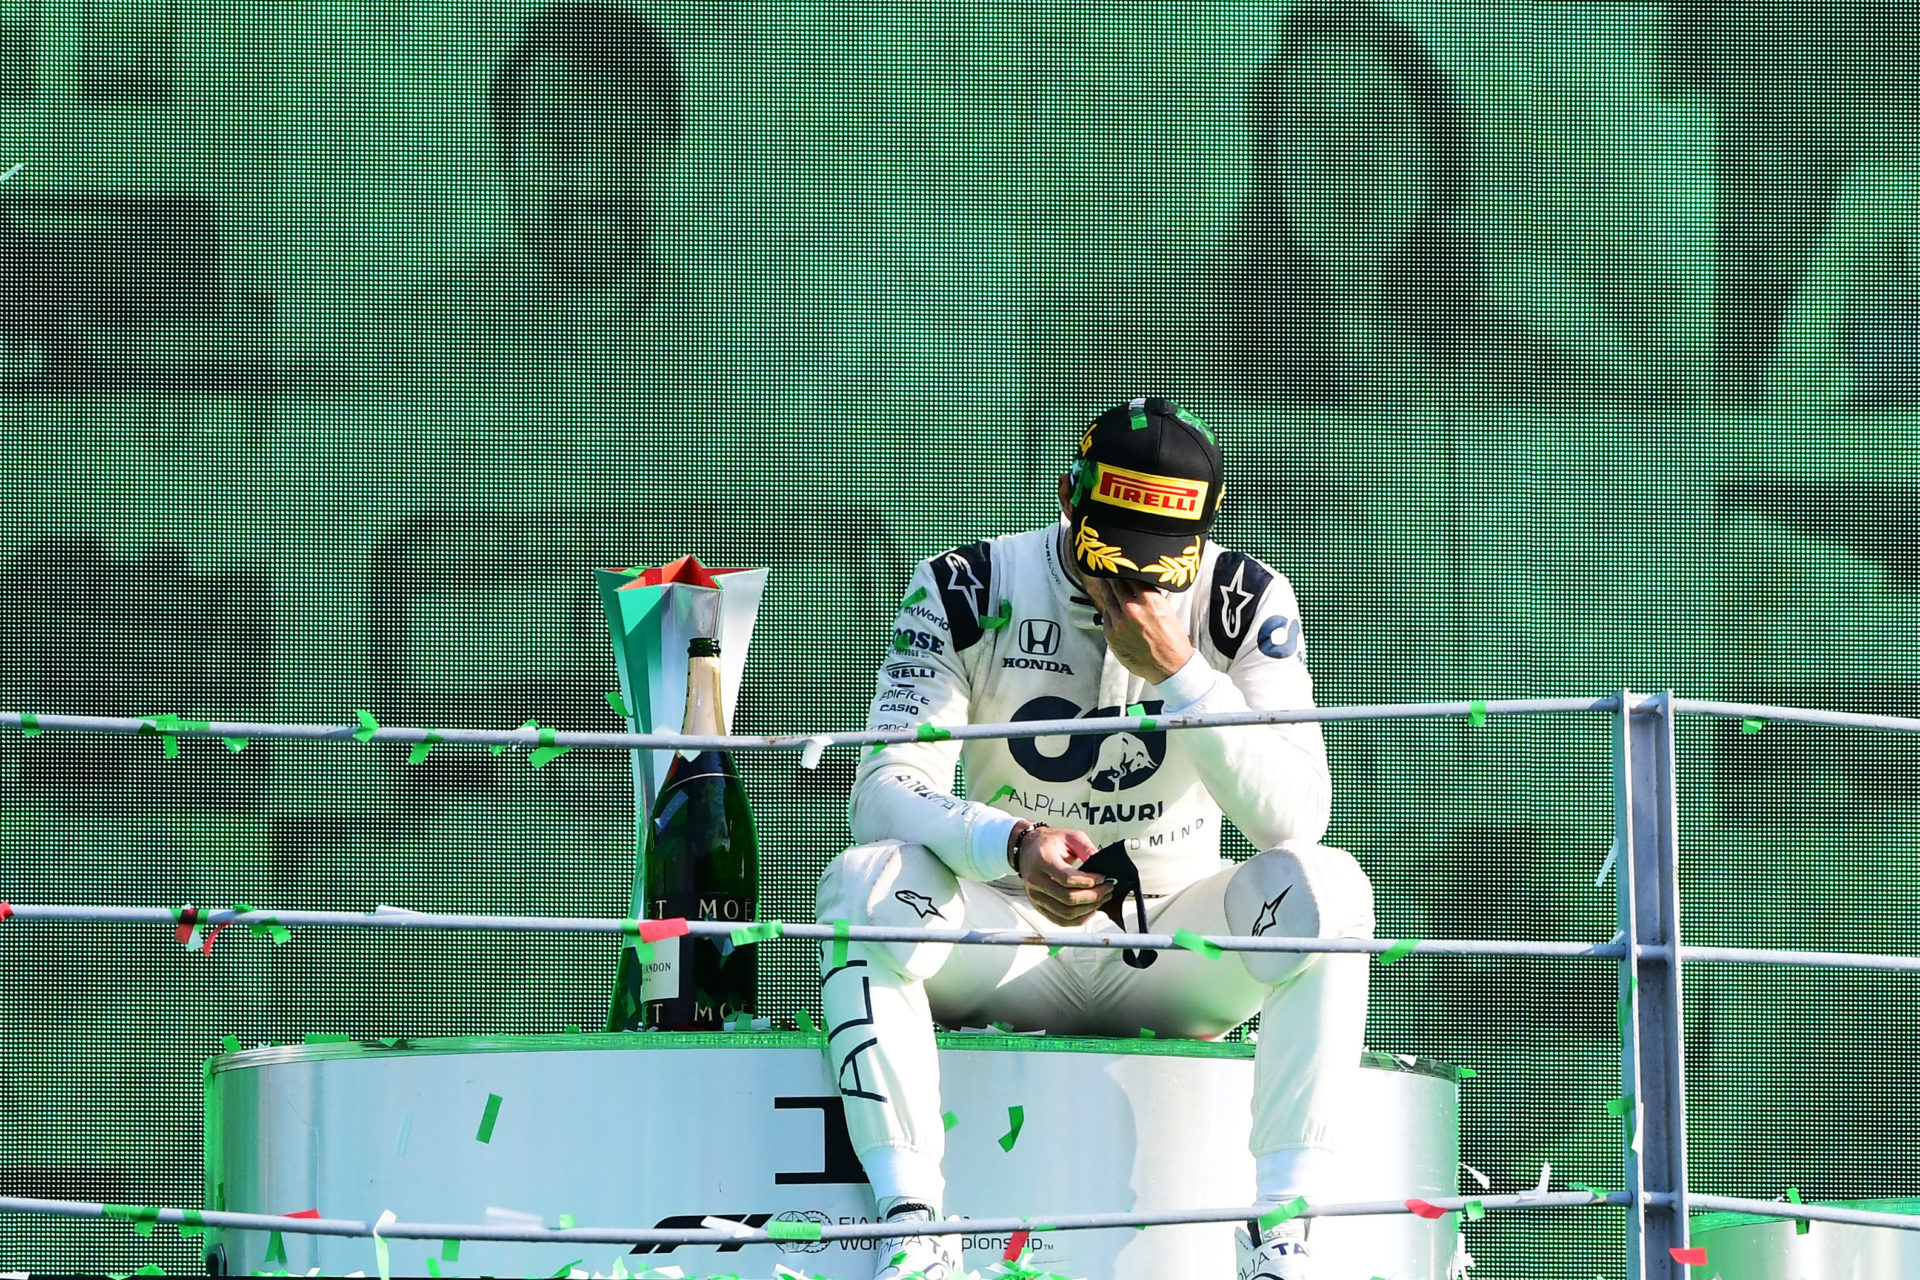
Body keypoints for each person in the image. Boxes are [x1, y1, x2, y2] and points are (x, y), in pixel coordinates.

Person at [816, 397, 1376, 1280]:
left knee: (1330, 885)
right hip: (1011, 938)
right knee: (863, 882)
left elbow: (1295, 815)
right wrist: (1010, 843)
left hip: (1176, 946)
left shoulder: (1242, 598)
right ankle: (914, 1226)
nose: (1133, 590)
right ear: (1069, 503)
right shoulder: (968, 585)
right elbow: (884, 787)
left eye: (1161, 568)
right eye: (1109, 557)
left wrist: (1185, 675)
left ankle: (1285, 1235)